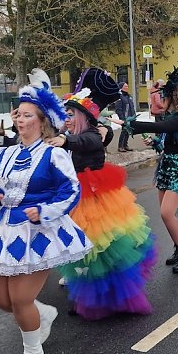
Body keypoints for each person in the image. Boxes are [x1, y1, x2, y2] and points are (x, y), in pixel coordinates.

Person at [0, 70, 92, 354]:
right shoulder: (5, 154)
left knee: (21, 298)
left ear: (42, 121)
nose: (20, 120)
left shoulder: (54, 155)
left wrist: (45, 210)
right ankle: (43, 314)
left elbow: (71, 191)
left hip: (40, 233)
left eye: (27, 115)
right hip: (4, 232)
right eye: (18, 115)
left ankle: (33, 349)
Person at [47, 67, 157, 318]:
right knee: (80, 250)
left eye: (72, 114)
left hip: (95, 201)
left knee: (97, 250)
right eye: (67, 113)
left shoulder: (90, 134)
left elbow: (90, 143)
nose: (68, 118)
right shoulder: (69, 134)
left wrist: (67, 141)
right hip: (75, 196)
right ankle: (85, 291)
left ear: (84, 116)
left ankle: (102, 295)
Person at [118, 62, 178, 272]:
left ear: (173, 97)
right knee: (165, 213)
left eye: (163, 96)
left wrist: (130, 124)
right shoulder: (170, 117)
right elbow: (167, 138)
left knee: (167, 213)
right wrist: (156, 143)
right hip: (167, 165)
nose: (160, 99)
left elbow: (161, 127)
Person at [115, 82, 136, 152]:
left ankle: (125, 145)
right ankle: (120, 146)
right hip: (124, 117)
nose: (127, 87)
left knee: (128, 131)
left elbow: (132, 106)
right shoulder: (119, 96)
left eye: (127, 86)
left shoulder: (128, 96)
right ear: (121, 87)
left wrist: (134, 115)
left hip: (130, 117)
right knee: (124, 131)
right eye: (125, 86)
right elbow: (118, 109)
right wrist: (122, 118)